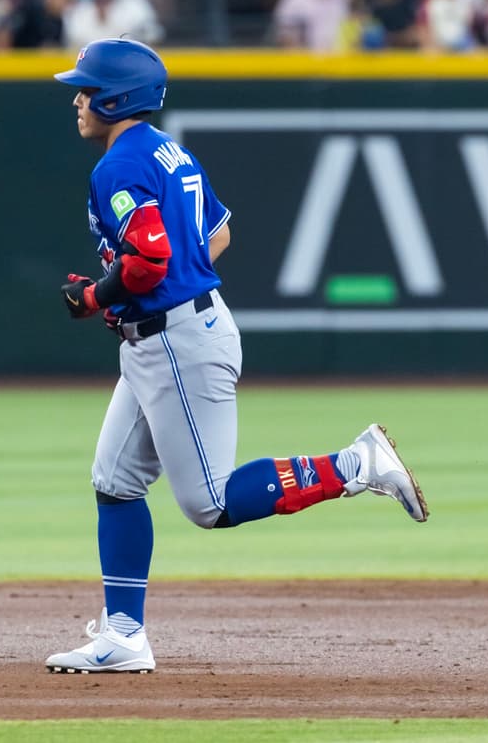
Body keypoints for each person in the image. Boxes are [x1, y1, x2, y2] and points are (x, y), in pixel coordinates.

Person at [46, 39, 428, 675]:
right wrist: (147, 295)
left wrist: (93, 297)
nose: (78, 100)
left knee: (210, 504)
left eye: (86, 89)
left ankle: (357, 463)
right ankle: (122, 635)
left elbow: (148, 261)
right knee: (113, 481)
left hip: (177, 342)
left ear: (117, 98)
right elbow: (216, 234)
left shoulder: (116, 166)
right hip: (163, 335)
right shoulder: (167, 150)